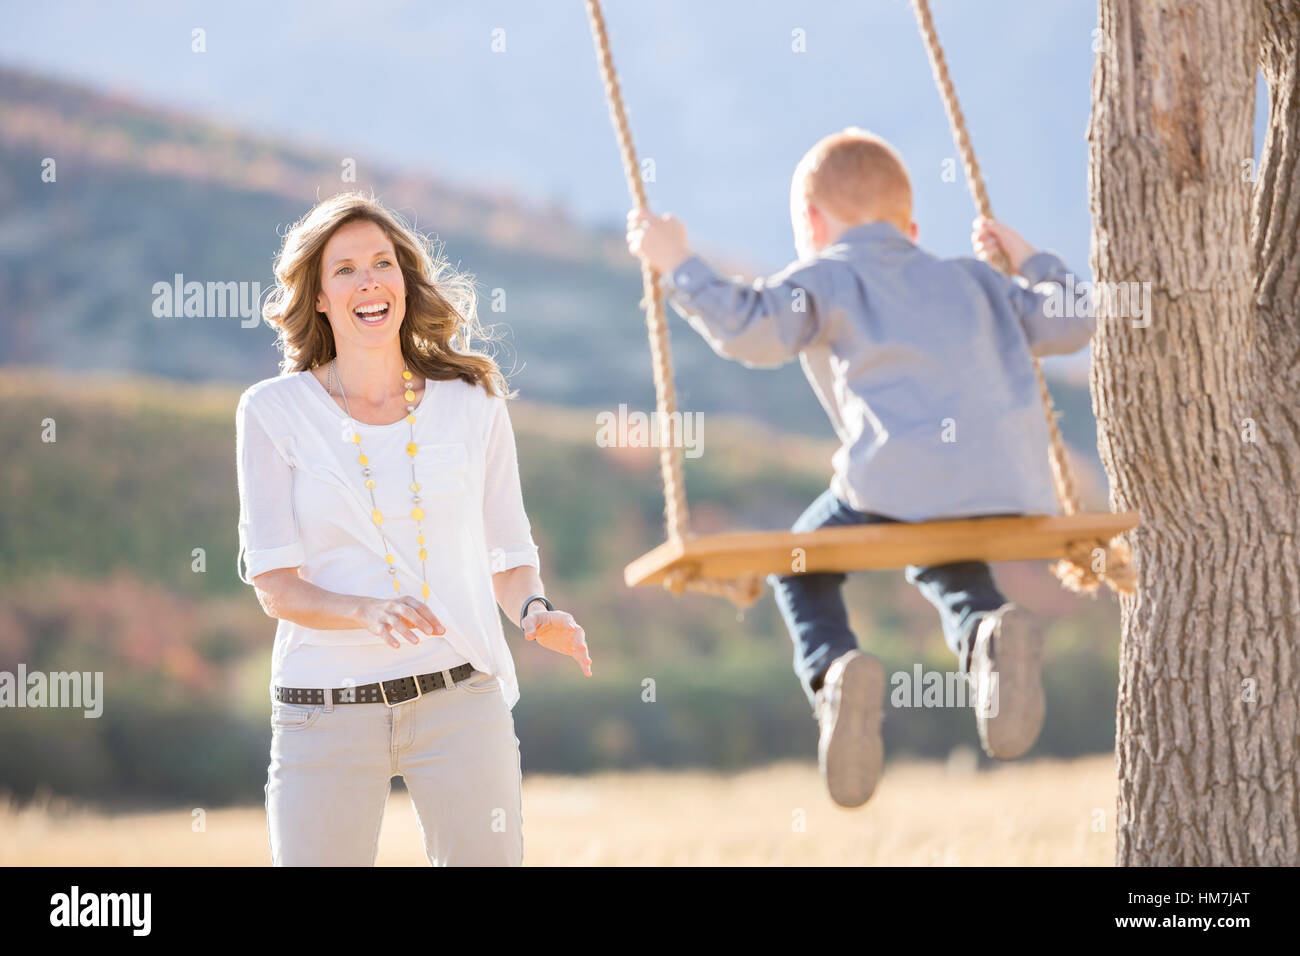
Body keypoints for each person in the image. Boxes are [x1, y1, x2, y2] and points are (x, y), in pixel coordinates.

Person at [626, 128, 1094, 809]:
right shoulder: (975, 278)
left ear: (812, 223)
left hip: (894, 485)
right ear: (911, 228)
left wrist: (678, 263)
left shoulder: (828, 276)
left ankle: (835, 671)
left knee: (799, 563)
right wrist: (1028, 257)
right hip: (1011, 488)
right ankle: (988, 632)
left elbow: (748, 329)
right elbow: (1074, 321)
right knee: (946, 552)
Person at [236, 191, 591, 864]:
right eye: (345, 270)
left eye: (382, 263)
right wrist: (365, 610)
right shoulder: (272, 411)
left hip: (459, 696)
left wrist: (534, 610)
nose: (369, 281)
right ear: (319, 297)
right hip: (324, 706)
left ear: (403, 279)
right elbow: (275, 586)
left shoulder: (473, 400)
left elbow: (509, 551)